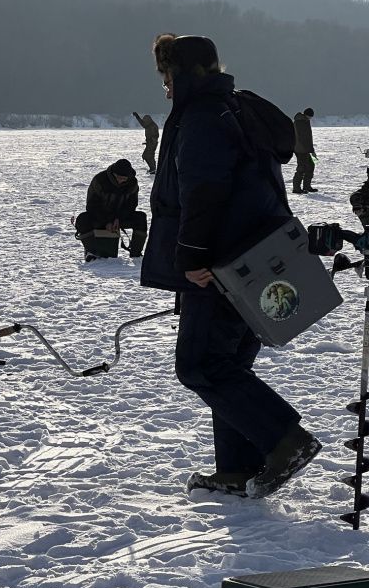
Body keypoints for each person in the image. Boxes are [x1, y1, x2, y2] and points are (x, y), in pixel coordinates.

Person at [143, 33, 321, 499]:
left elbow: (203, 192)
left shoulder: (202, 117)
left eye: (166, 75)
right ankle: (240, 468)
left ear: (181, 74)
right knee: (228, 364)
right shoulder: (236, 107)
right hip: (256, 253)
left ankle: (285, 439)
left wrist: (192, 258)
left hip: (224, 263)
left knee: (200, 365)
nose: (163, 86)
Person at [75, 159, 147, 260]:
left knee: (141, 217)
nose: (121, 180)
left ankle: (136, 253)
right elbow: (92, 206)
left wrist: (119, 218)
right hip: (100, 217)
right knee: (82, 219)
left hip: (121, 218)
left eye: (124, 178)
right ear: (113, 174)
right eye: (119, 177)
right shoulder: (99, 180)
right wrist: (107, 221)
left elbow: (131, 205)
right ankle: (91, 251)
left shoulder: (132, 183)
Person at [291, 107, 317, 194]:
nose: (310, 118)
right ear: (307, 115)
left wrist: (311, 149)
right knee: (302, 168)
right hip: (301, 149)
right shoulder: (301, 122)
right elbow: (304, 138)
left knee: (310, 166)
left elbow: (307, 138)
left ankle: (306, 186)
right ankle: (296, 188)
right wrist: (311, 150)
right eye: (310, 116)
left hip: (304, 148)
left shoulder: (304, 121)